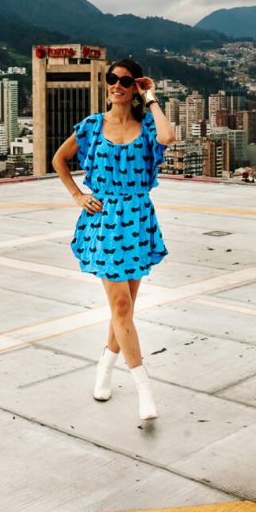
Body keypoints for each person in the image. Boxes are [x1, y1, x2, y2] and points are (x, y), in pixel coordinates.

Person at [52, 58, 175, 420]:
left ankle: (104, 367)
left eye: (125, 81)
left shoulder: (147, 124)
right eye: (112, 80)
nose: (117, 86)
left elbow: (168, 138)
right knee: (121, 307)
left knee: (125, 309)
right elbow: (60, 159)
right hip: (105, 221)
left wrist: (151, 97)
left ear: (135, 86)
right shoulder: (92, 126)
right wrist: (77, 195)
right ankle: (144, 390)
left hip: (137, 220)